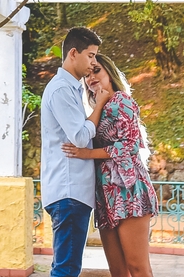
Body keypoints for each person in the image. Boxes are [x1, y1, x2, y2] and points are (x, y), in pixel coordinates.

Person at [62, 53, 159, 277]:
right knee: (117, 271)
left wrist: (87, 154)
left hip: (128, 190)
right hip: (106, 194)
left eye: (96, 71)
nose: (91, 78)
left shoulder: (122, 101)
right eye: (87, 75)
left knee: (138, 268)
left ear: (110, 73)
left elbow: (129, 145)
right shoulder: (101, 107)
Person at [41, 26, 112, 277]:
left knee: (67, 267)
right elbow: (80, 137)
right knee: (66, 270)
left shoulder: (71, 89)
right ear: (73, 53)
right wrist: (99, 106)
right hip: (68, 191)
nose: (93, 62)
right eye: (90, 55)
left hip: (72, 193)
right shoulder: (61, 89)